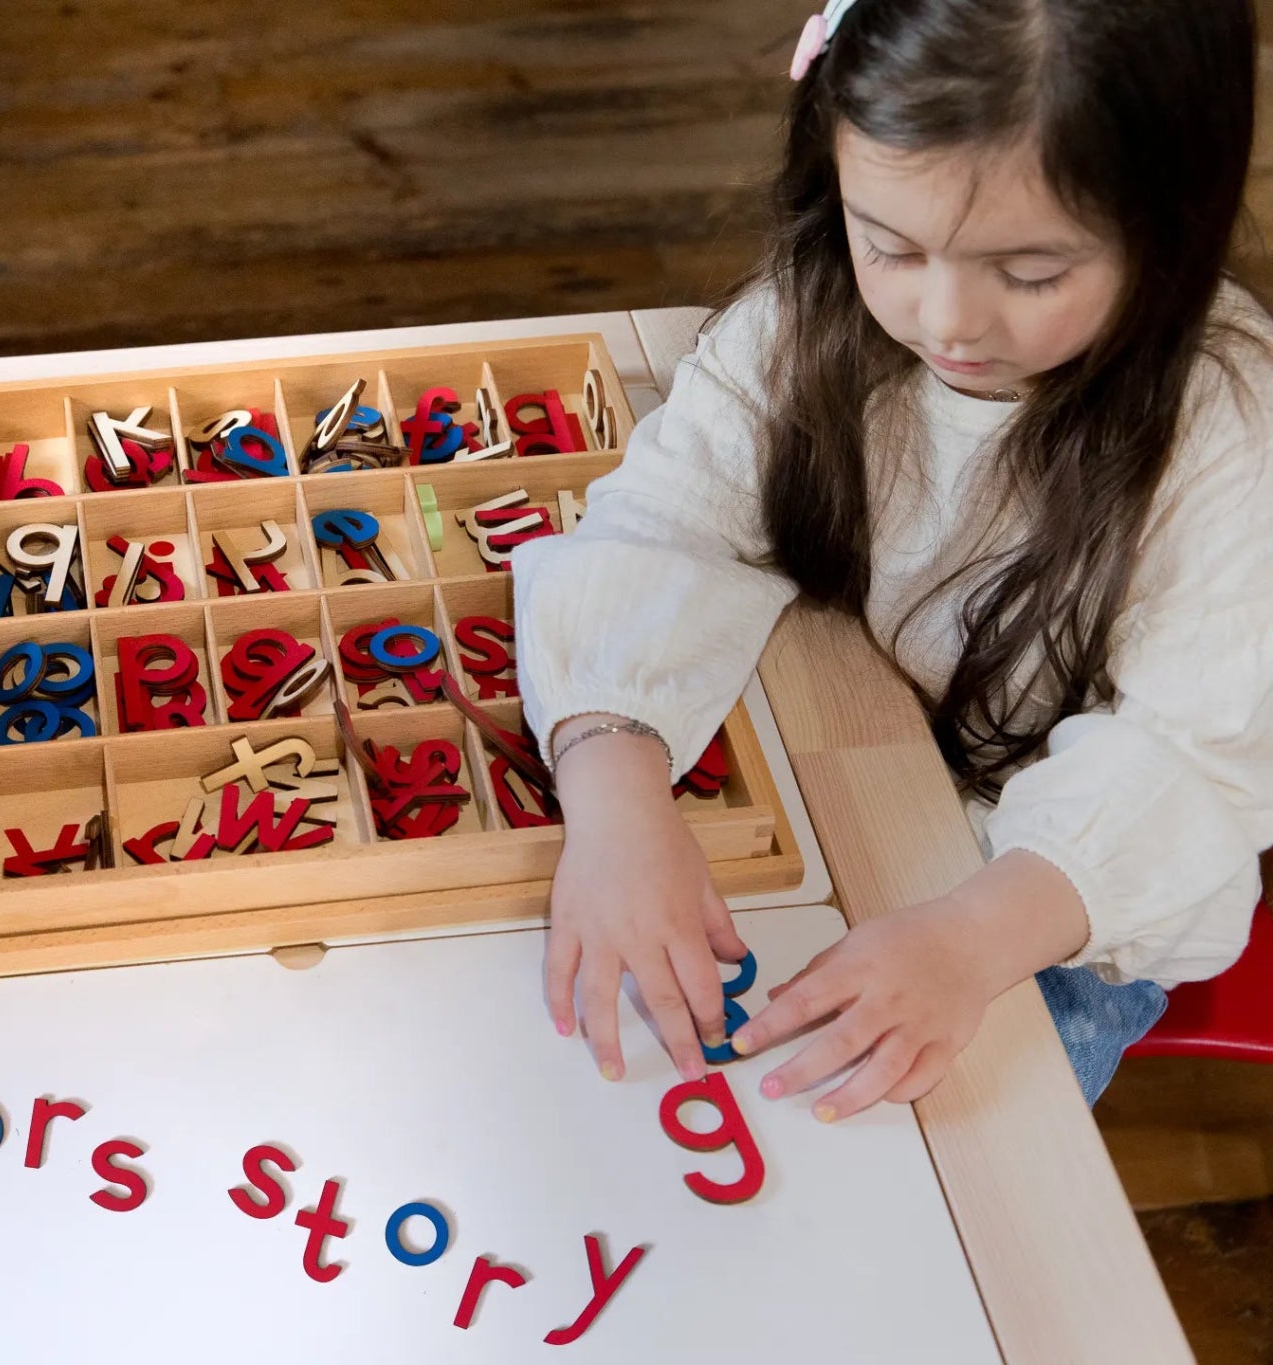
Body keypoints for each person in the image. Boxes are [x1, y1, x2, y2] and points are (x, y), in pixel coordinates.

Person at [517, 0, 1272, 1115]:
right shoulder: (812, 312)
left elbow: (1187, 764)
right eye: (892, 245)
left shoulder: (1228, 431)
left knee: (906, 1156)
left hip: (1046, 905)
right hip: (849, 768)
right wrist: (614, 781)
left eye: (1026, 272)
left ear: (1169, 221)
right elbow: (668, 518)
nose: (946, 317)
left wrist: (969, 942)